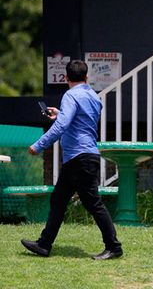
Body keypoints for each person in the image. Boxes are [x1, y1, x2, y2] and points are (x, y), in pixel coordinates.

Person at [21, 60, 123, 260]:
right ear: (87, 78)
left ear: (66, 78)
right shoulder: (93, 97)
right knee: (58, 200)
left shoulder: (70, 95)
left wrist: (38, 145)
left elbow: (61, 127)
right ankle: (44, 244)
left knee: (93, 203)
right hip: (83, 156)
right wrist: (60, 114)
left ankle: (114, 246)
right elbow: (81, 120)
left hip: (79, 157)